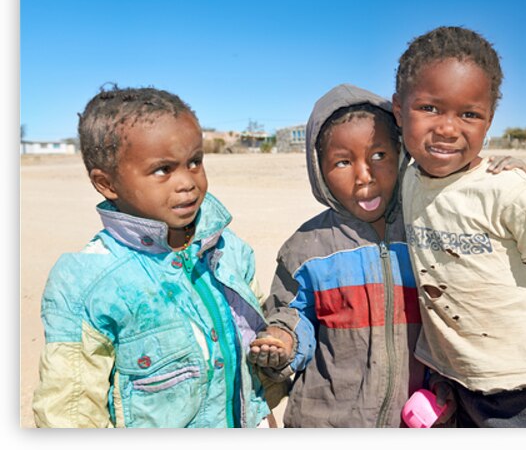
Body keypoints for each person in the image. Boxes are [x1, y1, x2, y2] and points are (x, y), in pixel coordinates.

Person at [391, 26, 526, 428]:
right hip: (461, 387)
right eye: (430, 108)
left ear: (489, 121)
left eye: (469, 114)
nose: (449, 128)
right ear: (400, 111)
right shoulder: (407, 179)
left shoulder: (510, 192)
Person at [32, 85, 275, 428]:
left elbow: (253, 352)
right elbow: (68, 413)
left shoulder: (229, 250)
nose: (187, 182)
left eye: (195, 162)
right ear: (107, 184)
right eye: (163, 169)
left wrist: (263, 415)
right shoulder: (88, 282)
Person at [247, 84, 426, 427]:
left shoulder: (424, 229)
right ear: (320, 171)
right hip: (327, 421)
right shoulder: (306, 248)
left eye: (379, 156)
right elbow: (290, 313)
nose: (364, 176)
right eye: (343, 162)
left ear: (402, 153)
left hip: (416, 419)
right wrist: (283, 340)